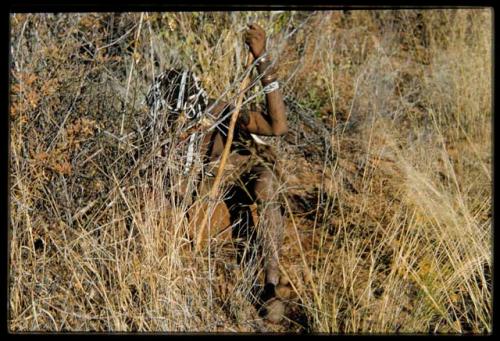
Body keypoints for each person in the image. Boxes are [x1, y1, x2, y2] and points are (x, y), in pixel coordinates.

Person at [145, 23, 288, 323]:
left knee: (265, 186)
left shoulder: (220, 111)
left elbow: (277, 127)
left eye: (186, 120)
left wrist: (261, 58)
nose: (179, 127)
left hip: (244, 172)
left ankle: (271, 284)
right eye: (172, 119)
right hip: (216, 191)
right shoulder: (158, 136)